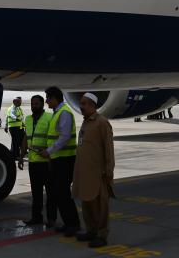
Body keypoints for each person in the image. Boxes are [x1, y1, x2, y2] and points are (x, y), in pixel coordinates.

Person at [72, 93, 115, 248]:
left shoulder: (102, 123)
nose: (81, 107)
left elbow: (109, 149)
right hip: (85, 173)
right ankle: (91, 230)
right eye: (81, 103)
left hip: (99, 174)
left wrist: (108, 171)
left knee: (100, 206)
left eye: (83, 104)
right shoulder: (86, 123)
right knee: (87, 204)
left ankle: (102, 235)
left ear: (92, 105)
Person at [40, 86, 80, 236]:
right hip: (58, 160)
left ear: (55, 98)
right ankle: (68, 223)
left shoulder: (64, 113)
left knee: (63, 193)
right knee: (58, 193)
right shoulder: (57, 113)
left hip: (65, 160)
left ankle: (74, 224)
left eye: (48, 99)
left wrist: (49, 151)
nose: (46, 102)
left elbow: (64, 137)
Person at [20, 95, 56, 227]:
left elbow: (54, 139)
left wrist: (50, 155)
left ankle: (51, 219)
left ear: (42, 104)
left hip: (46, 161)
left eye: (36, 104)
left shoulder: (50, 118)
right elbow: (26, 137)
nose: (34, 106)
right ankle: (36, 217)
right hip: (33, 162)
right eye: (32, 104)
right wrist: (21, 155)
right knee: (36, 193)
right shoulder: (28, 119)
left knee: (50, 192)